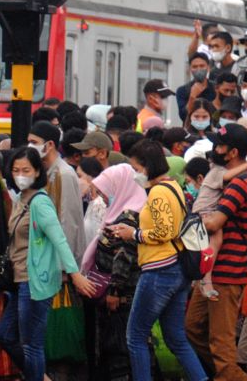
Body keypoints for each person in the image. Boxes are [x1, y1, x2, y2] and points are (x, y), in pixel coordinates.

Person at [107, 139, 208, 381]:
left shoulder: (159, 192)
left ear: (148, 166)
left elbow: (165, 231)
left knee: (136, 337)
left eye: (136, 168)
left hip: (159, 270)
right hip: (177, 269)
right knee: (176, 338)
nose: (134, 174)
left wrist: (134, 234)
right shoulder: (174, 187)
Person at [0, 147, 94, 381]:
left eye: (26, 170)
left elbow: (59, 239)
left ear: (37, 171)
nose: (20, 174)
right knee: (6, 335)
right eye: (16, 170)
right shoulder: (20, 199)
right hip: (20, 279)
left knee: (32, 344)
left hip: (35, 281)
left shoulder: (40, 202)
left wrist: (74, 274)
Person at [186, 124, 247, 381]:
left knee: (221, 343)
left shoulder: (241, 182)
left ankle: (233, 376)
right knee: (192, 329)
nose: (215, 150)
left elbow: (215, 222)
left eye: (220, 146)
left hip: (227, 272)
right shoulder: (225, 177)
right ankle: (228, 375)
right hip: (211, 269)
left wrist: (187, 223)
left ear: (233, 152)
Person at [82, 163, 146, 381]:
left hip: (123, 295)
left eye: (105, 191)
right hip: (119, 293)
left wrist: (114, 292)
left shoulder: (128, 218)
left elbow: (124, 258)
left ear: (120, 187)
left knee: (119, 346)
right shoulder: (118, 213)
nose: (103, 197)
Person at [27, 121, 88, 261]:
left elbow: (68, 221)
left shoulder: (64, 174)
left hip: (59, 261)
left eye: (34, 142)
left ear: (49, 145)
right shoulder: (45, 171)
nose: (30, 146)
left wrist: (64, 265)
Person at [177, 52, 214, 122]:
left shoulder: (215, 88)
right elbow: (183, 116)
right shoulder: (182, 90)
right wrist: (192, 97)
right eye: (195, 67)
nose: (198, 69)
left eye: (202, 66)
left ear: (208, 67)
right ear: (190, 69)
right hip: (192, 131)